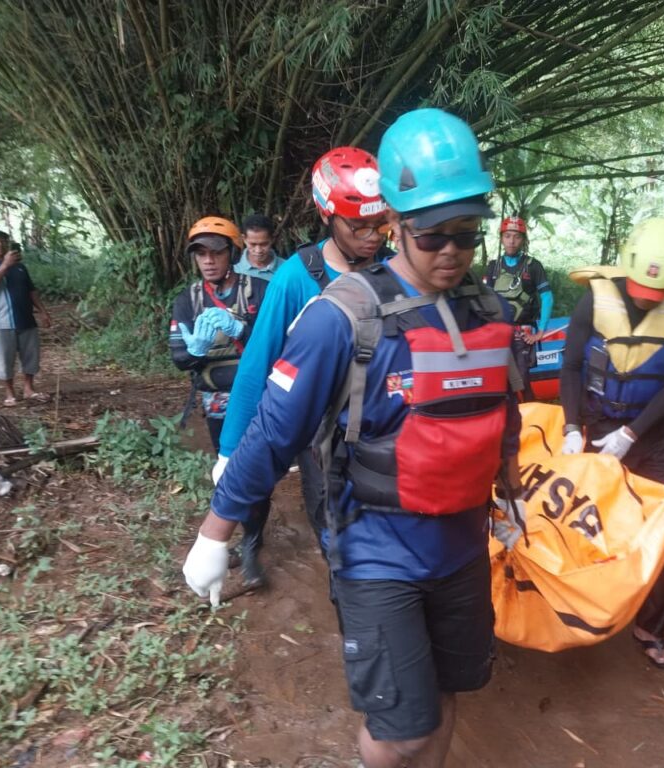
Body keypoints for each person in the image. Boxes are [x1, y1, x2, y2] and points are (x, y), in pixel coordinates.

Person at [183, 107, 525, 768]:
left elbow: (502, 407)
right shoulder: (342, 316)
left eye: (465, 233)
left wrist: (508, 482)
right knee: (401, 731)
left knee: (447, 694)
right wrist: (214, 534)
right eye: (432, 234)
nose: (451, 251)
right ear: (394, 220)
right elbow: (274, 429)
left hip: (461, 547)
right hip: (376, 551)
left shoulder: (488, 311)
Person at [214, 147, 392, 548]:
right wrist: (230, 450)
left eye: (379, 224)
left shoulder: (394, 270)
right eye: (358, 226)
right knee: (337, 539)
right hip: (324, 439)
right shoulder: (296, 278)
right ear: (327, 215)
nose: (371, 236)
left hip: (386, 431)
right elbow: (257, 364)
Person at [560, 217, 664, 668]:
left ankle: (650, 625)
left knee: (662, 531)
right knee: (584, 519)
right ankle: (580, 606)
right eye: (641, 289)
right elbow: (572, 367)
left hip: (652, 432)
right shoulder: (595, 299)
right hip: (597, 423)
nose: (646, 299)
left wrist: (631, 433)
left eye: (657, 292)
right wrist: (571, 426)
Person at [169, 216, 271, 587]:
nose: (208, 261)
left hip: (258, 397)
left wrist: (242, 328)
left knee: (256, 469)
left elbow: (281, 342)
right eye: (201, 254)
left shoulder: (259, 291)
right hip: (216, 400)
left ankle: (252, 543)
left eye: (216, 252)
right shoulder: (188, 300)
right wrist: (195, 350)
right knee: (227, 472)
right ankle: (235, 536)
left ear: (232, 253)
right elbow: (179, 357)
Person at [482, 216, 553, 399]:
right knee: (500, 381)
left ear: (523, 240)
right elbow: (486, 300)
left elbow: (547, 297)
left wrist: (541, 331)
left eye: (516, 236)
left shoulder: (533, 266)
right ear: (501, 238)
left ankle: (529, 412)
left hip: (522, 333)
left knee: (522, 380)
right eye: (507, 236)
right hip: (499, 333)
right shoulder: (493, 267)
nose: (511, 241)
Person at [0, 228, 52, 406]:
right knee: (5, 359)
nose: (0, 244)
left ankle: (29, 389)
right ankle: (10, 393)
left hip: (26, 319)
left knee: (30, 357)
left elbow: (31, 291)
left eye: (3, 240)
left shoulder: (20, 267)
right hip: (1, 322)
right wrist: (5, 265)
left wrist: (43, 311)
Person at [235, 213, 284, 279]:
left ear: (272, 239)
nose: (258, 250)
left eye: (264, 244)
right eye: (253, 244)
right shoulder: (233, 270)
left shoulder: (287, 269)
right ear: (244, 239)